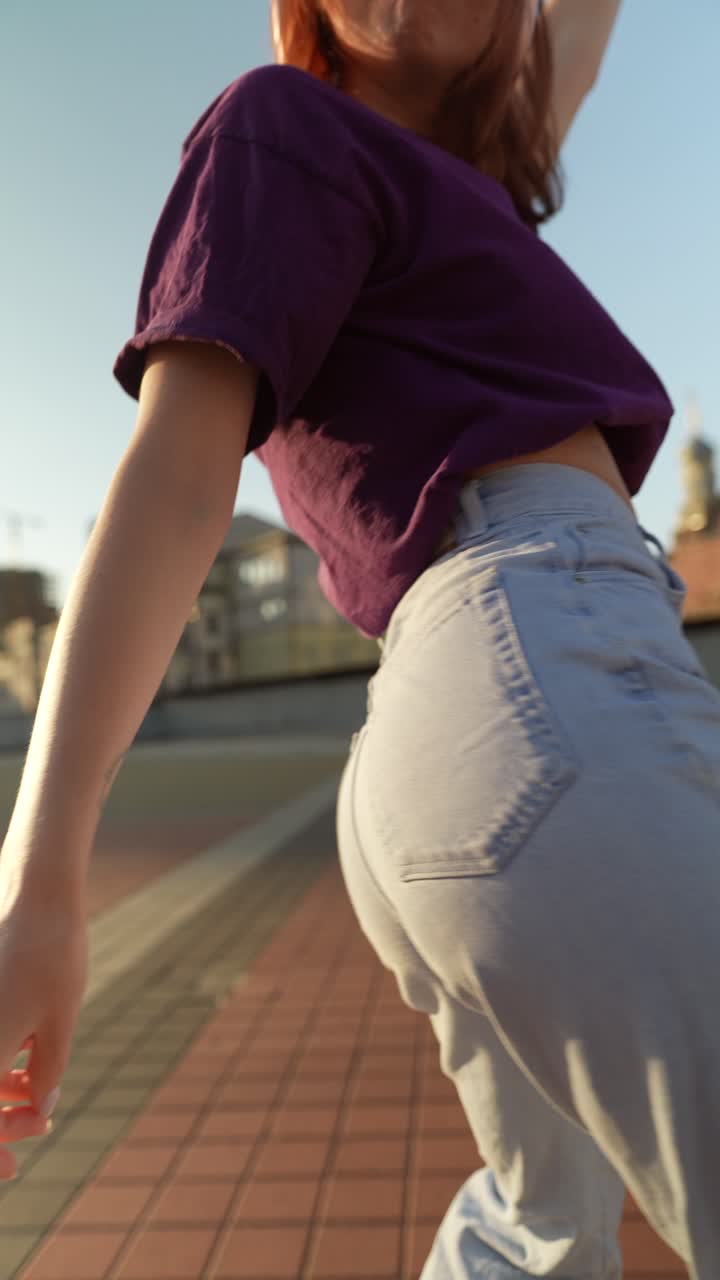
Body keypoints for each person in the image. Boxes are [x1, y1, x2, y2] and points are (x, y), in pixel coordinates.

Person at [0, 0, 717, 1274]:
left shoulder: (476, 183)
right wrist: (40, 876)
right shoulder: (285, 126)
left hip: (501, 712)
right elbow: (173, 473)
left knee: (543, 1229)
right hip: (537, 662)